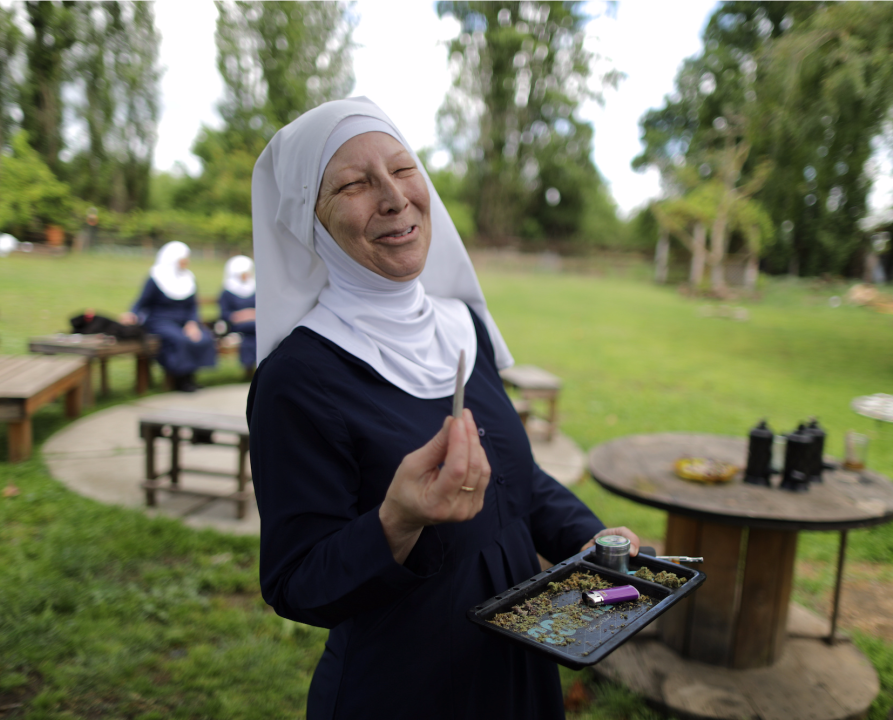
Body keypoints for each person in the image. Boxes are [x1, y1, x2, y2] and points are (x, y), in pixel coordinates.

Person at [246, 97, 639, 719]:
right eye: (353, 183)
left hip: (523, 659)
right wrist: (396, 522)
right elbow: (296, 584)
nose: (394, 197)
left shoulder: (463, 327)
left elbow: (518, 481)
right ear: (309, 220)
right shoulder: (300, 378)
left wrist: (587, 537)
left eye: (404, 171)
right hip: (409, 689)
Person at [121, 241, 216, 392]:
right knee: (179, 340)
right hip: (160, 321)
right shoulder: (156, 278)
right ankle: (180, 380)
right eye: (185, 259)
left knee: (203, 337)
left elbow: (192, 306)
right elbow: (142, 302)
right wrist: (132, 314)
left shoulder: (189, 278)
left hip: (184, 321)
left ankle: (190, 377)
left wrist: (192, 323)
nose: (188, 262)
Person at [218, 255, 257, 371]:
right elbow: (224, 314)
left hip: (253, 324)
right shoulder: (227, 291)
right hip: (237, 325)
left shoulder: (254, 287)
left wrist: (252, 313)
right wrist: (240, 316)